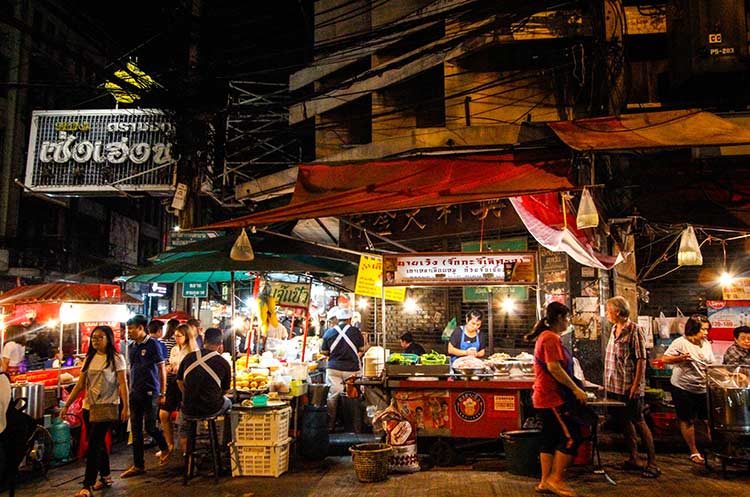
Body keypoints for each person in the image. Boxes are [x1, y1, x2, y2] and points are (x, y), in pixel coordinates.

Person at [526, 302, 588, 497]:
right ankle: (555, 479)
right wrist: (575, 389)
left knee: (550, 438)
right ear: (560, 318)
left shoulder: (546, 337)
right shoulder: (550, 338)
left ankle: (544, 482)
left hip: (543, 396)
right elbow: (554, 368)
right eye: (567, 318)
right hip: (552, 397)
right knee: (572, 437)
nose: (568, 322)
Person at [61, 326, 129, 497]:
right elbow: (80, 384)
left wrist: (126, 407)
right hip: (88, 407)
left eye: (100, 337)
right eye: (94, 338)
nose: (96, 340)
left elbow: (123, 384)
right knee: (97, 444)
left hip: (107, 406)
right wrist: (67, 404)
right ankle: (105, 477)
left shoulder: (116, 358)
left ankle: (87, 485)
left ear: (109, 339)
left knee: (93, 445)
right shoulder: (89, 358)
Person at [604, 296, 660, 478]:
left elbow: (641, 360)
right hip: (615, 385)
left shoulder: (634, 330)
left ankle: (652, 463)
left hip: (629, 386)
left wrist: (635, 385)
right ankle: (634, 458)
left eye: (608, 310)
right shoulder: (614, 329)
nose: (607, 313)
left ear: (618, 311)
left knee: (639, 420)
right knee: (625, 421)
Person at [662, 314, 715, 464]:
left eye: (707, 330)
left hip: (702, 386)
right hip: (682, 387)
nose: (706, 333)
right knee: (687, 419)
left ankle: (716, 448)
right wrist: (681, 358)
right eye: (703, 330)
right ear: (693, 329)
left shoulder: (706, 344)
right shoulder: (680, 343)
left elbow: (711, 364)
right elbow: (665, 359)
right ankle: (693, 451)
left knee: (708, 420)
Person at [121, 315, 170, 479]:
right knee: (135, 430)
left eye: (132, 329)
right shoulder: (132, 346)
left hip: (151, 392)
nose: (129, 332)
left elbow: (162, 370)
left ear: (141, 328)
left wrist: (162, 392)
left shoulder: (153, 345)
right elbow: (131, 369)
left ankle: (164, 446)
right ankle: (138, 465)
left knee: (150, 427)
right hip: (135, 392)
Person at [176, 327, 232, 450]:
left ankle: (188, 455)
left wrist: (188, 394)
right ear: (220, 344)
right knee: (229, 403)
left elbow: (179, 381)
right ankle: (224, 447)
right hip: (212, 408)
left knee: (184, 416)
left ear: (203, 340)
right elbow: (225, 390)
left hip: (189, 407)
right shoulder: (223, 363)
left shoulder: (189, 357)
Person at [158, 324, 198, 465]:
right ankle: (169, 444)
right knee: (163, 414)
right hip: (173, 384)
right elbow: (170, 363)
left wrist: (179, 370)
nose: (176, 338)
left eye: (179, 336)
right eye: (175, 335)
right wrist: (170, 368)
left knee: (182, 419)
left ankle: (186, 453)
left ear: (187, 336)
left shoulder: (193, 351)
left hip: (186, 386)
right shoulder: (174, 349)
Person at [320, 307, 364, 432]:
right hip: (352, 370)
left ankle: (330, 425)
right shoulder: (355, 331)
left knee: (333, 396)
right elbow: (361, 349)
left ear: (337, 319)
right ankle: (354, 426)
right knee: (353, 396)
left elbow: (324, 352)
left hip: (333, 369)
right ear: (350, 319)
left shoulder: (329, 332)